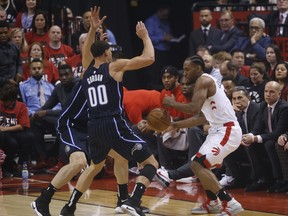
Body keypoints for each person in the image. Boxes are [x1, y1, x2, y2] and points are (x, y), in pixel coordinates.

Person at [61, 6, 158, 216]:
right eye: (109, 50)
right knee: (150, 162)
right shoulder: (114, 67)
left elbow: (85, 51)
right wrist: (145, 37)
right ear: (107, 53)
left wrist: (93, 29)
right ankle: (132, 200)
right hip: (113, 122)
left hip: (94, 126)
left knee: (97, 165)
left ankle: (70, 207)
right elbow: (149, 58)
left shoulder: (86, 70)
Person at [31, 80, 149, 216]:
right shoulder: (88, 80)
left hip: (91, 129)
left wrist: (132, 145)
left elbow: (119, 119)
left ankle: (122, 199)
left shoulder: (114, 89)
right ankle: (43, 201)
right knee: (79, 162)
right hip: (71, 126)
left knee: (121, 155)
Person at [162, 55, 244, 215]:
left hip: (228, 130)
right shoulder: (202, 86)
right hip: (217, 131)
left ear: (198, 69)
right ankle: (213, 202)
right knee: (197, 165)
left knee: (199, 164)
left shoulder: (204, 81)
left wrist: (172, 103)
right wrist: (174, 125)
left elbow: (192, 108)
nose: (184, 73)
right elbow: (200, 117)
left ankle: (230, 203)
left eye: (187, 69)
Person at [242, 81, 288, 192]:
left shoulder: (284, 107)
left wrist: (255, 138)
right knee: (251, 145)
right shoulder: (262, 105)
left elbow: (278, 132)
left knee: (270, 144)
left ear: (279, 93)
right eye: (266, 91)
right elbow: (258, 126)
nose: (268, 94)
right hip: (268, 137)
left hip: (277, 138)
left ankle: (279, 180)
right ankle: (262, 179)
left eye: (271, 92)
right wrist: (250, 135)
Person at [0, 83, 34, 177]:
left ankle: (20, 166)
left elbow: (23, 125)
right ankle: (5, 167)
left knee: (29, 137)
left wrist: (5, 128)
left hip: (12, 131)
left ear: (12, 100)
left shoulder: (21, 106)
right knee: (12, 143)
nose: (3, 103)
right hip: (2, 134)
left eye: (5, 101)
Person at [0, 20, 22, 88]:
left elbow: (19, 63)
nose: (3, 35)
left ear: (9, 32)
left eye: (5, 32)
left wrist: (19, 73)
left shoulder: (15, 47)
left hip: (14, 85)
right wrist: (6, 81)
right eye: (0, 33)